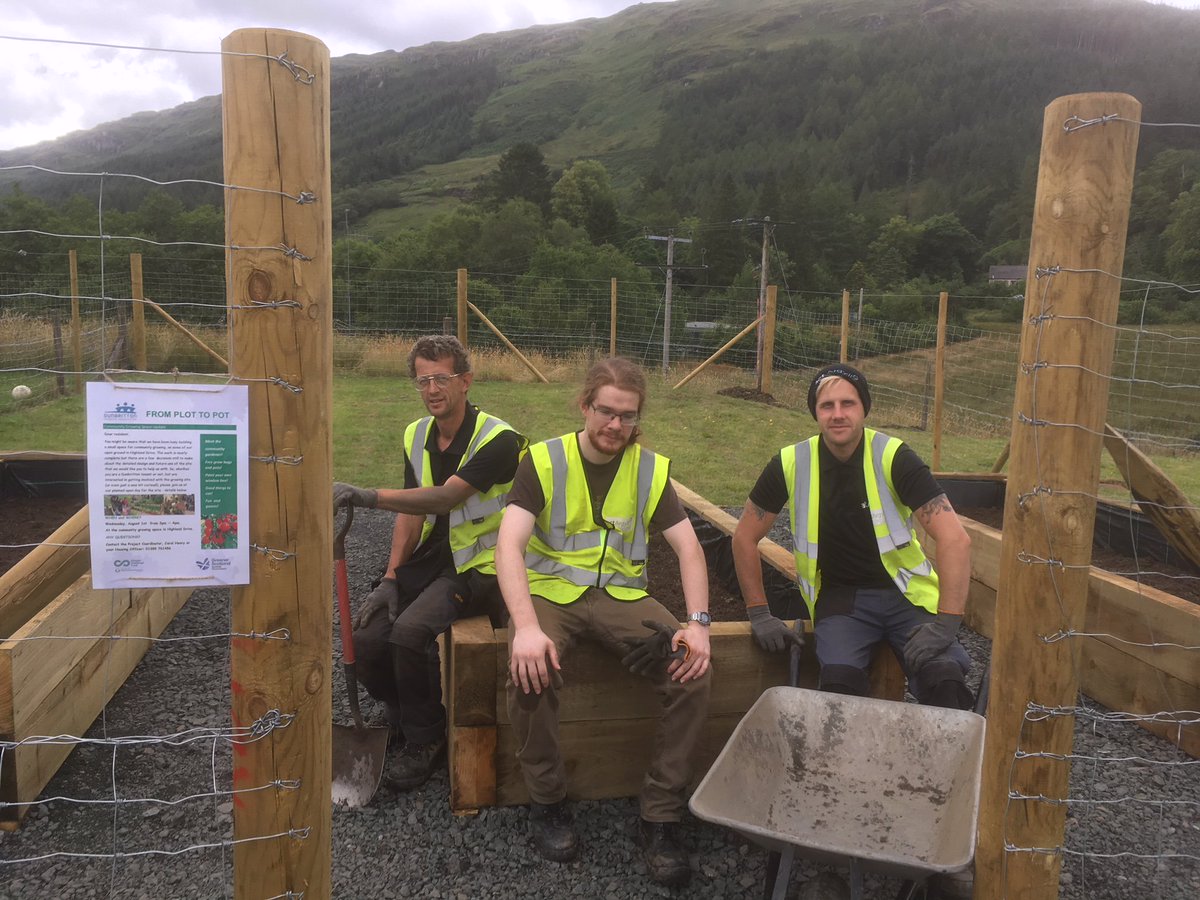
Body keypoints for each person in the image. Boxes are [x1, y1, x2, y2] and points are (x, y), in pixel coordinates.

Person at [495, 357, 712, 887]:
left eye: (628, 416)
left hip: (621, 594)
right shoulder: (543, 460)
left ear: (639, 419)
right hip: (551, 593)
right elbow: (509, 544)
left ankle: (660, 815)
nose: (616, 425)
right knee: (532, 669)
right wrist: (524, 626)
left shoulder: (650, 469)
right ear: (585, 406)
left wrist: (699, 624)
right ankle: (548, 801)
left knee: (694, 670)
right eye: (606, 412)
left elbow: (688, 549)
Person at [333, 335, 526, 789]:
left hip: (484, 564)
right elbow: (412, 511)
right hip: (436, 556)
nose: (432, 389)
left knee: (411, 633)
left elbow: (444, 498)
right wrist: (391, 578)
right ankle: (400, 706)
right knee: (365, 638)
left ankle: (426, 738)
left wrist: (368, 496)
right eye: (423, 380)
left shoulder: (498, 440)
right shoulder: (416, 434)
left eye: (442, 378)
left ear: (466, 381)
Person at [732, 363, 974, 711]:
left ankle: (936, 761)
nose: (838, 414)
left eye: (848, 404)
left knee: (944, 681)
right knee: (838, 687)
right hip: (841, 600)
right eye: (826, 406)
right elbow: (743, 537)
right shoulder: (791, 462)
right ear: (814, 412)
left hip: (905, 594)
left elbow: (956, 540)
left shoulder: (894, 457)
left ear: (864, 408)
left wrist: (946, 623)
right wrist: (758, 613)